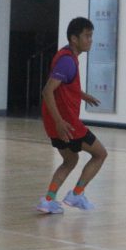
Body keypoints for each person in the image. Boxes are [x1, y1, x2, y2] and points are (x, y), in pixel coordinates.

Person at [35, 17, 108, 214]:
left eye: (91, 36)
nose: (90, 40)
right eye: (87, 36)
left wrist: (82, 95)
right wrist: (60, 122)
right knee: (100, 154)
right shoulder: (67, 61)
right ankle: (76, 194)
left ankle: (48, 200)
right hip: (67, 124)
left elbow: (64, 87)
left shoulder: (66, 56)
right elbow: (47, 91)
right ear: (74, 39)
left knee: (70, 160)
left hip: (54, 124)